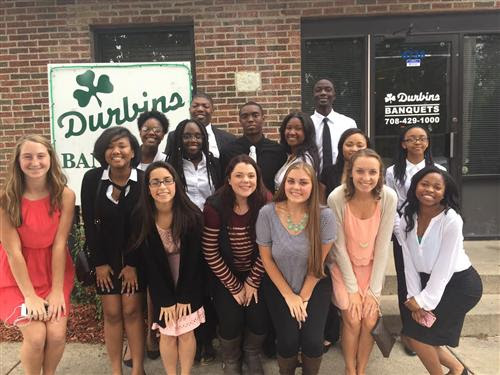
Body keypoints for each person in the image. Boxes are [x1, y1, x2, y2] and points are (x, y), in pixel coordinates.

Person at [0, 135, 75, 375]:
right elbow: (13, 252)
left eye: (41, 156)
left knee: (55, 334)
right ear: (18, 161)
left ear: (50, 159)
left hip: (54, 269)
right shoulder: (6, 200)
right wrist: (30, 296)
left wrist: (55, 291)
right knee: (35, 336)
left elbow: (59, 243)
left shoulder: (65, 195)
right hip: (16, 274)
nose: (35, 162)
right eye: (28, 156)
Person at [396, 166, 482, 375]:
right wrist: (414, 298)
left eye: (437, 187)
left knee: (417, 336)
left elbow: (445, 266)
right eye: (424, 184)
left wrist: (424, 301)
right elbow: (409, 263)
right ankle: (458, 369)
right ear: (416, 185)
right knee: (417, 335)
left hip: (459, 285)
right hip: (428, 283)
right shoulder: (407, 218)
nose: (429, 190)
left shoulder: (451, 219)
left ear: (445, 192)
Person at [257, 162, 335, 375]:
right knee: (288, 340)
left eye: (303, 182)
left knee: (312, 341)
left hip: (315, 282)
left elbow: (319, 261)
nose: (296, 187)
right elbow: (266, 259)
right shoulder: (267, 213)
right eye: (291, 181)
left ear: (313, 186)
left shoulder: (325, 216)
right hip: (279, 284)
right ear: (283, 184)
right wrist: (289, 296)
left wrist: (304, 296)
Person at [130, 161, 205, 375]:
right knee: (168, 332)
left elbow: (196, 262)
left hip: (189, 280)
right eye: (155, 182)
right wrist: (164, 299)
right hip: (160, 282)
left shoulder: (192, 216)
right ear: (148, 188)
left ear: (175, 184)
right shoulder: (141, 218)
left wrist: (185, 297)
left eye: (166, 181)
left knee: (186, 332)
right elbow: (148, 265)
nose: (162, 187)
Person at [81, 127, 145, 375]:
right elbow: (88, 221)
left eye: (122, 145)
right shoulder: (92, 179)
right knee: (112, 313)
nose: (116, 151)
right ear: (102, 151)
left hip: (135, 260)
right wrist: (98, 263)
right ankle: (116, 370)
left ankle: (137, 369)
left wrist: (132, 264)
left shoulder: (142, 180)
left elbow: (143, 227)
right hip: (104, 260)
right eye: (110, 146)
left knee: (132, 311)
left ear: (132, 151)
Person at [327, 148, 397, 375]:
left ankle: (362, 369)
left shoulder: (388, 197)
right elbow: (338, 247)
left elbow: (383, 245)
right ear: (350, 172)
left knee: (369, 319)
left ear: (380, 174)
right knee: (353, 318)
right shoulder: (337, 197)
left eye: (372, 172)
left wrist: (374, 293)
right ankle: (350, 368)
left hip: (371, 267)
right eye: (360, 171)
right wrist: (352, 289)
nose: (366, 178)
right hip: (343, 266)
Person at [202, 155, 270, 374]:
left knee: (258, 318)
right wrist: (233, 285)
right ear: (229, 179)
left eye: (251, 176)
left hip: (256, 272)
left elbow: (268, 248)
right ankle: (231, 358)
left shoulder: (265, 202)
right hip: (226, 274)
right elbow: (210, 251)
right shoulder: (215, 207)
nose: (246, 181)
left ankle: (251, 352)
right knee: (230, 319)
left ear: (258, 179)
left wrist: (252, 280)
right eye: (239, 175)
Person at [385, 125, 446, 356]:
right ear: (403, 143)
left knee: (429, 278)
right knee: (406, 281)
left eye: (422, 138)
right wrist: (398, 231)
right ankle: (409, 332)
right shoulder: (392, 172)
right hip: (403, 230)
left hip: (430, 231)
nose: (417, 142)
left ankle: (428, 329)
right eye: (412, 139)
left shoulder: (438, 170)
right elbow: (390, 205)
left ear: (428, 142)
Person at [126, 110, 169, 365]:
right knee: (134, 293)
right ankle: (134, 345)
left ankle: (154, 337)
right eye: (146, 128)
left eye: (157, 129)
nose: (151, 132)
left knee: (155, 287)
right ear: (139, 130)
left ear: (163, 134)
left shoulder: (166, 159)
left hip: (156, 229)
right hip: (130, 232)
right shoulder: (129, 157)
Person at [220, 101, 287, 192]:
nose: (250, 120)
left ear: (263, 118)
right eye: (245, 116)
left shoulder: (278, 151)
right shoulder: (228, 151)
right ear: (240, 120)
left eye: (255, 115)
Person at [166, 118, 221, 210]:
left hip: (210, 220)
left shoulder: (215, 164)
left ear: (204, 139)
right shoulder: (171, 165)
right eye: (186, 136)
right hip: (183, 220)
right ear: (179, 139)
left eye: (198, 136)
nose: (193, 140)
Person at [165, 93, 235, 159]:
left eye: (205, 106)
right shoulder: (174, 136)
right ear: (189, 110)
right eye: (195, 106)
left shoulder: (229, 139)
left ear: (212, 110)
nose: (200, 109)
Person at [310, 78, 357, 172]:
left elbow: (356, 154)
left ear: (334, 96)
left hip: (342, 177)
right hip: (313, 179)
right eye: (318, 90)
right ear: (313, 95)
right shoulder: (306, 123)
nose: (323, 93)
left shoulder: (348, 123)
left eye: (328, 90)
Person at [274, 112, 320, 190]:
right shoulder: (291, 156)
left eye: (298, 129)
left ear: (307, 132)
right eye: (289, 128)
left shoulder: (305, 160)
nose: (292, 132)